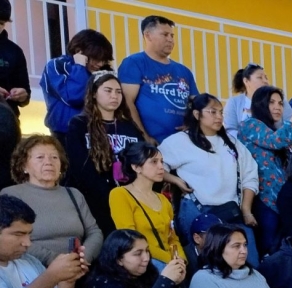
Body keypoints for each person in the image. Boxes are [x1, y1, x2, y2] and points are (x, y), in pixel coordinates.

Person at [160, 93, 261, 264]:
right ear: (197, 114)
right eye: (212, 112)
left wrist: (246, 209)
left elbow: (250, 175)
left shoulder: (232, 143)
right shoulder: (178, 141)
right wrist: (175, 180)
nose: (219, 117)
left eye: (221, 112)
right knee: (205, 265)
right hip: (197, 210)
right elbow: (154, 167)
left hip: (231, 212)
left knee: (249, 263)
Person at [237, 85, 292, 253]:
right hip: (263, 198)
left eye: (281, 103)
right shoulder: (250, 125)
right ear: (260, 104)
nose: (278, 107)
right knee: (269, 248)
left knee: (285, 248)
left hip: (284, 200)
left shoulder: (278, 130)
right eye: (271, 102)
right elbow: (276, 141)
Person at [63, 71, 144, 235]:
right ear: (93, 94)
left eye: (118, 91)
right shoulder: (79, 124)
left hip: (129, 197)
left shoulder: (129, 126)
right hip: (93, 200)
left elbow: (142, 160)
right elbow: (79, 166)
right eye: (108, 90)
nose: (114, 96)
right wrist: (107, 194)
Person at [1, 135, 102, 265]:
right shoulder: (11, 194)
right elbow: (12, 238)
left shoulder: (74, 194)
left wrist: (83, 258)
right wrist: (56, 260)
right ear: (23, 166)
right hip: (34, 268)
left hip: (79, 267)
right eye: (40, 157)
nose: (49, 162)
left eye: (54, 157)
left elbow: (94, 232)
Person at [118, 15, 196, 143]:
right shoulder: (134, 63)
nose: (170, 40)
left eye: (172, 36)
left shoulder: (184, 71)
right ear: (148, 35)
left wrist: (193, 124)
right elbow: (126, 102)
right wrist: (143, 136)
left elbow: (198, 104)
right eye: (165, 35)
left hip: (183, 144)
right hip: (150, 146)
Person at [106, 141, 184, 265]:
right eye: (154, 162)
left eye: (161, 162)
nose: (161, 167)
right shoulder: (120, 194)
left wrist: (181, 260)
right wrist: (169, 260)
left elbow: (172, 239)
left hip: (170, 264)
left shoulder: (163, 199)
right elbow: (130, 238)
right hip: (145, 263)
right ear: (136, 167)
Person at [40, 29, 114, 143]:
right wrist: (80, 66)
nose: (100, 64)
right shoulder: (56, 65)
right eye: (96, 58)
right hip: (64, 132)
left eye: (103, 60)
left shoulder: (103, 72)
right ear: (79, 51)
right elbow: (74, 97)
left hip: (96, 132)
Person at [222, 63, 292, 141]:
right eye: (260, 77)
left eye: (266, 78)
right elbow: (230, 130)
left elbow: (291, 125)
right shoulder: (234, 102)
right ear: (246, 81)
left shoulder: (280, 101)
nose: (265, 81)